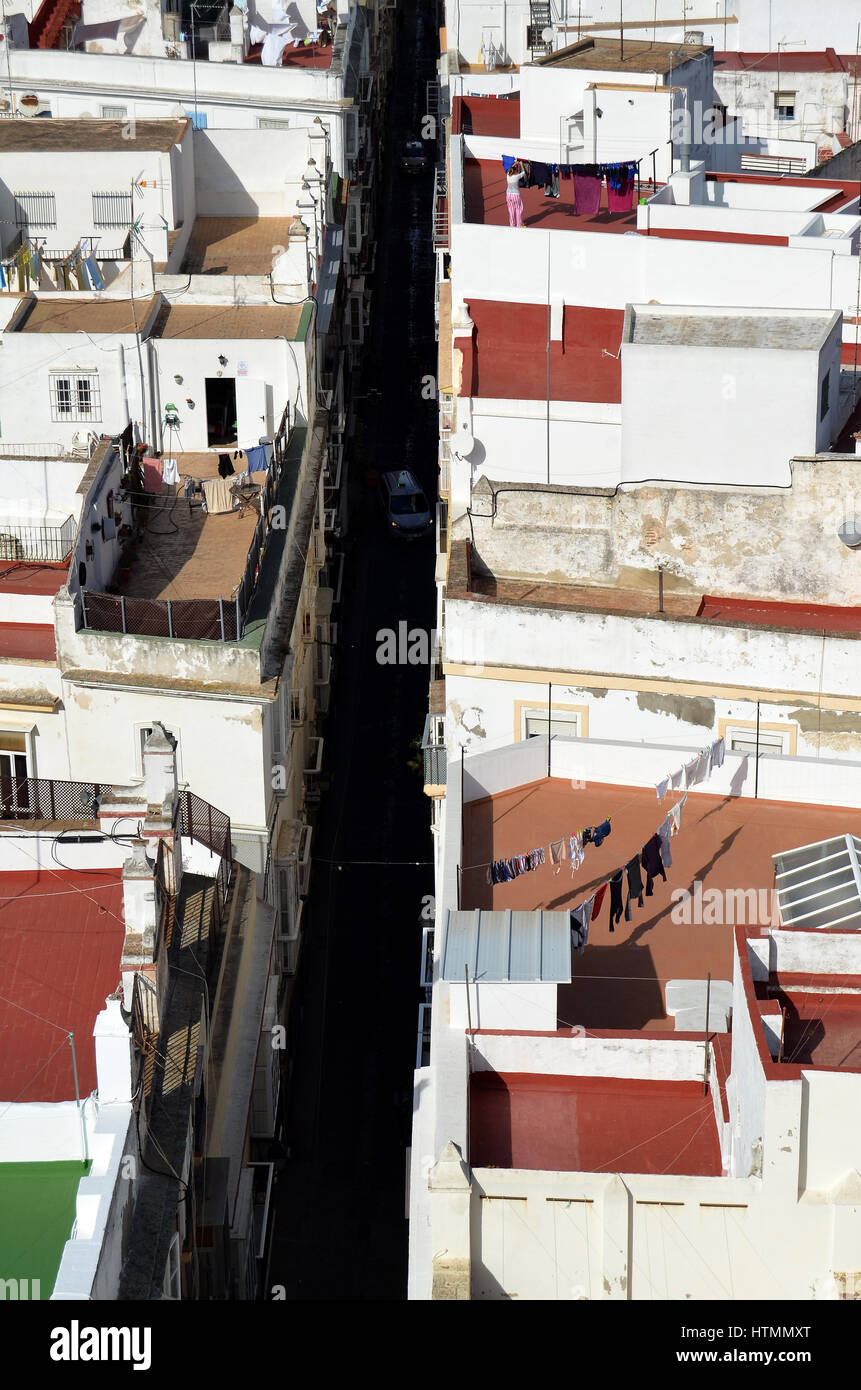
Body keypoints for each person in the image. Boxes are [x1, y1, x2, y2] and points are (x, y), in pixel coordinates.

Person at [506, 159, 525, 227]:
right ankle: (519, 224)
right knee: (518, 209)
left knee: (511, 210)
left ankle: (512, 224)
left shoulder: (508, 176)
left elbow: (510, 169)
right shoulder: (516, 177)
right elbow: (523, 173)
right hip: (516, 195)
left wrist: (515, 164)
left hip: (508, 195)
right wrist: (521, 165)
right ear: (515, 172)